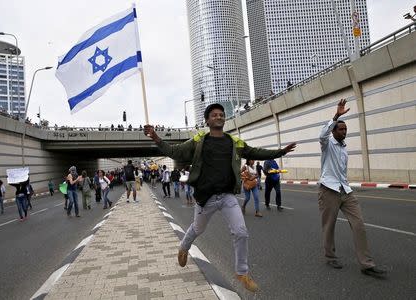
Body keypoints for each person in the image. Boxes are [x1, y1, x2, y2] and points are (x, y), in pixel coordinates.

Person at [144, 103, 296, 292]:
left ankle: (242, 272)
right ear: (207, 120)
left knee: (241, 232)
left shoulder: (234, 142)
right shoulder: (199, 141)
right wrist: (157, 138)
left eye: (221, 114)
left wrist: (280, 152)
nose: (219, 117)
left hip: (227, 197)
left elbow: (255, 151)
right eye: (214, 115)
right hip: (205, 198)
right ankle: (184, 247)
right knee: (197, 229)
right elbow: (175, 152)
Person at [318, 99, 386, 278]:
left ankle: (366, 264)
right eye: (341, 129)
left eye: (346, 129)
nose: (344, 131)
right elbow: (321, 135)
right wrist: (336, 116)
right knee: (329, 226)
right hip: (328, 190)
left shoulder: (344, 148)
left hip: (345, 191)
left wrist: (345, 185)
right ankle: (330, 256)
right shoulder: (328, 144)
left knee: (359, 224)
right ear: (334, 131)